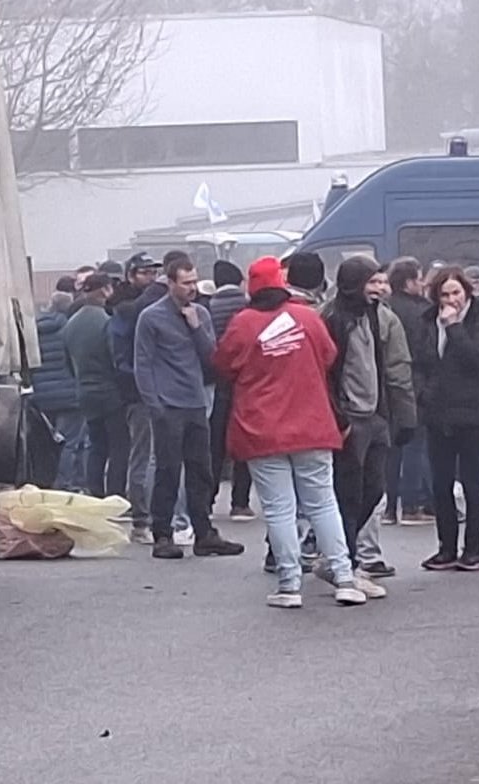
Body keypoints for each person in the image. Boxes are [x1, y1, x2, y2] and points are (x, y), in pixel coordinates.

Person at [213, 257, 369, 608]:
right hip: (312, 425)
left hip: (262, 429)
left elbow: (223, 365)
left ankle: (289, 585)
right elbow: (329, 357)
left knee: (279, 509)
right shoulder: (308, 318)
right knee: (324, 503)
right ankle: (344, 577)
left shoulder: (243, 324)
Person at [133, 257, 244, 560]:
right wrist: (154, 404)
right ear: (170, 283)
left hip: (196, 401)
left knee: (201, 469)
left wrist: (196, 326)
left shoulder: (201, 314)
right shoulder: (151, 317)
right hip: (168, 404)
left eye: (195, 281)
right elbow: (142, 364)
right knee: (168, 470)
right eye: (186, 283)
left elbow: (212, 357)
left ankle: (203, 532)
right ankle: (163, 533)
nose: (192, 288)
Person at [321, 257, 416, 588]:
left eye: (382, 282)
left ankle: (339, 556)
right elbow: (326, 373)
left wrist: (393, 415)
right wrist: (340, 416)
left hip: (376, 416)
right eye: (372, 282)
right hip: (351, 420)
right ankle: (342, 563)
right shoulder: (333, 318)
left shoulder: (375, 316)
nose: (380, 289)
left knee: (374, 490)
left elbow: (390, 366)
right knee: (347, 493)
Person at [414, 266, 479, 571]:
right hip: (438, 411)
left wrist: (454, 327)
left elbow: (478, 357)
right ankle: (446, 547)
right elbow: (423, 361)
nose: (451, 300)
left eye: (456, 293)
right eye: (445, 294)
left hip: (474, 411)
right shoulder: (427, 321)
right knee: (440, 482)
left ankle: (473, 549)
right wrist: (423, 393)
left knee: (471, 480)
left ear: (466, 292)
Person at [62, 274, 135, 530]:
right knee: (119, 446)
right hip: (109, 392)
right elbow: (115, 359)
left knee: (96, 445)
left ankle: (93, 493)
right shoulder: (106, 322)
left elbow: (67, 363)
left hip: (84, 392)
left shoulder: (71, 324)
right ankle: (115, 497)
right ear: (105, 290)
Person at [108, 252, 165, 535]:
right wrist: (140, 381)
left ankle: (151, 512)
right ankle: (142, 514)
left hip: (155, 388)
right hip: (137, 392)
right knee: (143, 453)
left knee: (152, 453)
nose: (151, 278)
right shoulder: (125, 309)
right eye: (145, 273)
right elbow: (120, 356)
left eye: (154, 273)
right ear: (131, 275)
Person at [384, 257, 434, 526]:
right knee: (416, 445)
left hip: (389, 384)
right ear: (409, 282)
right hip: (418, 382)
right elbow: (427, 350)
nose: (423, 282)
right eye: (419, 277)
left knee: (393, 448)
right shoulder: (422, 311)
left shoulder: (385, 309)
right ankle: (413, 504)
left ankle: (391, 506)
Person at [206, 260, 255, 523]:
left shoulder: (208, 308)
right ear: (240, 282)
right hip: (246, 383)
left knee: (214, 444)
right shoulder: (248, 308)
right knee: (244, 443)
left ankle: (208, 498)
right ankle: (240, 502)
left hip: (218, 383)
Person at [34, 292, 85, 492]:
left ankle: (44, 479)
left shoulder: (36, 329)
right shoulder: (69, 328)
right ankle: (64, 484)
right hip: (69, 395)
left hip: (43, 396)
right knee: (70, 442)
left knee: (49, 442)